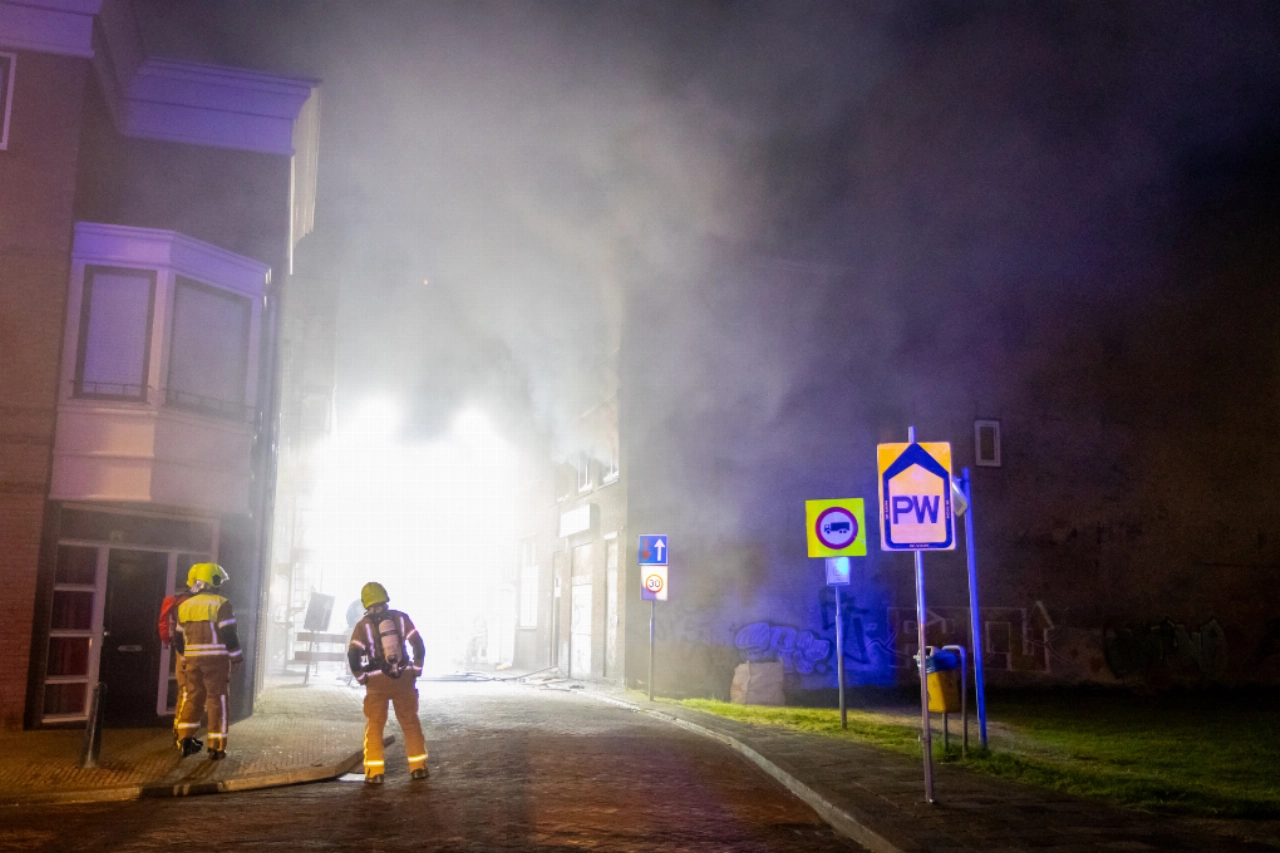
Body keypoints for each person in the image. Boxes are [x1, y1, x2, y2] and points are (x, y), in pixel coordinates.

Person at [347, 582, 428, 784]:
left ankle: (375, 773)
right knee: (410, 722)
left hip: (376, 682)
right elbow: (418, 644)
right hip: (403, 680)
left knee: (375, 726)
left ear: (366, 604)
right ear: (385, 599)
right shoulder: (401, 618)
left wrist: (361, 677)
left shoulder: (362, 626)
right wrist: (416, 669)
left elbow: (353, 655)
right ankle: (418, 768)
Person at [173, 562, 242, 760]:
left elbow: (178, 639)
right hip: (216, 661)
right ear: (214, 580)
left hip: (192, 661)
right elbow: (229, 633)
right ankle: (216, 746)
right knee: (217, 699)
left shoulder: (184, 606)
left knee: (192, 697)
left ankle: (185, 739)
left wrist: (186, 658)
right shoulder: (222, 603)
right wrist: (236, 657)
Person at [158, 577, 199, 755]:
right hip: (189, 652)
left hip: (182, 652)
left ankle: (181, 732)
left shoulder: (176, 601)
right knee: (188, 692)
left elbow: (168, 629)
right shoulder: (191, 604)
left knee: (186, 693)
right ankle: (182, 737)